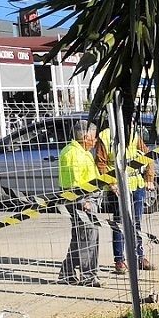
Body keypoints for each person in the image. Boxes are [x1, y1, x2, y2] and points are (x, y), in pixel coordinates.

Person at [98, 124, 155, 274]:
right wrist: (111, 183)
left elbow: (148, 156)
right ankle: (119, 260)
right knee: (119, 224)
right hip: (118, 188)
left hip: (137, 185)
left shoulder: (133, 134)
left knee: (136, 223)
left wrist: (149, 178)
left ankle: (139, 257)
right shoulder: (104, 136)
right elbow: (100, 163)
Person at [57, 121, 104, 286]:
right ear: (85, 137)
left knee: (80, 238)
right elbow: (74, 183)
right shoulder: (72, 153)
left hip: (88, 199)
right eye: (94, 137)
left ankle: (67, 273)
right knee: (88, 238)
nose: (96, 140)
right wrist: (83, 201)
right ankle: (88, 277)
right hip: (81, 201)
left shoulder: (84, 152)